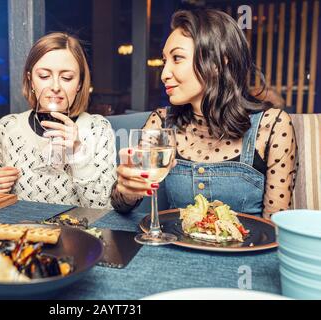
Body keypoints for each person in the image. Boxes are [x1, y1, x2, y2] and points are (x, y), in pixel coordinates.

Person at [111, 9, 297, 219]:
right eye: (165, 61)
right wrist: (126, 191)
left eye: (177, 58)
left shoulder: (272, 125)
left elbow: (277, 226)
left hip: (245, 251)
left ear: (218, 63)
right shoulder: (162, 122)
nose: (164, 74)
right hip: (174, 249)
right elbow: (121, 205)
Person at [0, 32, 117, 209]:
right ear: (31, 80)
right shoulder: (7, 127)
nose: (55, 87)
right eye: (44, 76)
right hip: (23, 233)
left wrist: (77, 154)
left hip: (79, 235)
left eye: (67, 78)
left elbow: (104, 208)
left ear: (79, 84)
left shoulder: (98, 129)